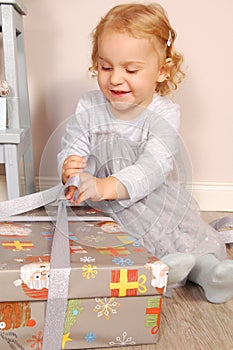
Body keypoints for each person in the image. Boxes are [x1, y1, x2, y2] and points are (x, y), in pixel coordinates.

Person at [57, 2, 233, 303]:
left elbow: (155, 165)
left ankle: (208, 273)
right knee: (108, 246)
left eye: (131, 69)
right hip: (99, 203)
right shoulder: (89, 105)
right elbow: (73, 143)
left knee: (182, 233)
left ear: (162, 71)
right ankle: (160, 270)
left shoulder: (163, 113)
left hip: (150, 198)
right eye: (105, 67)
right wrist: (69, 167)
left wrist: (108, 186)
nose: (115, 79)